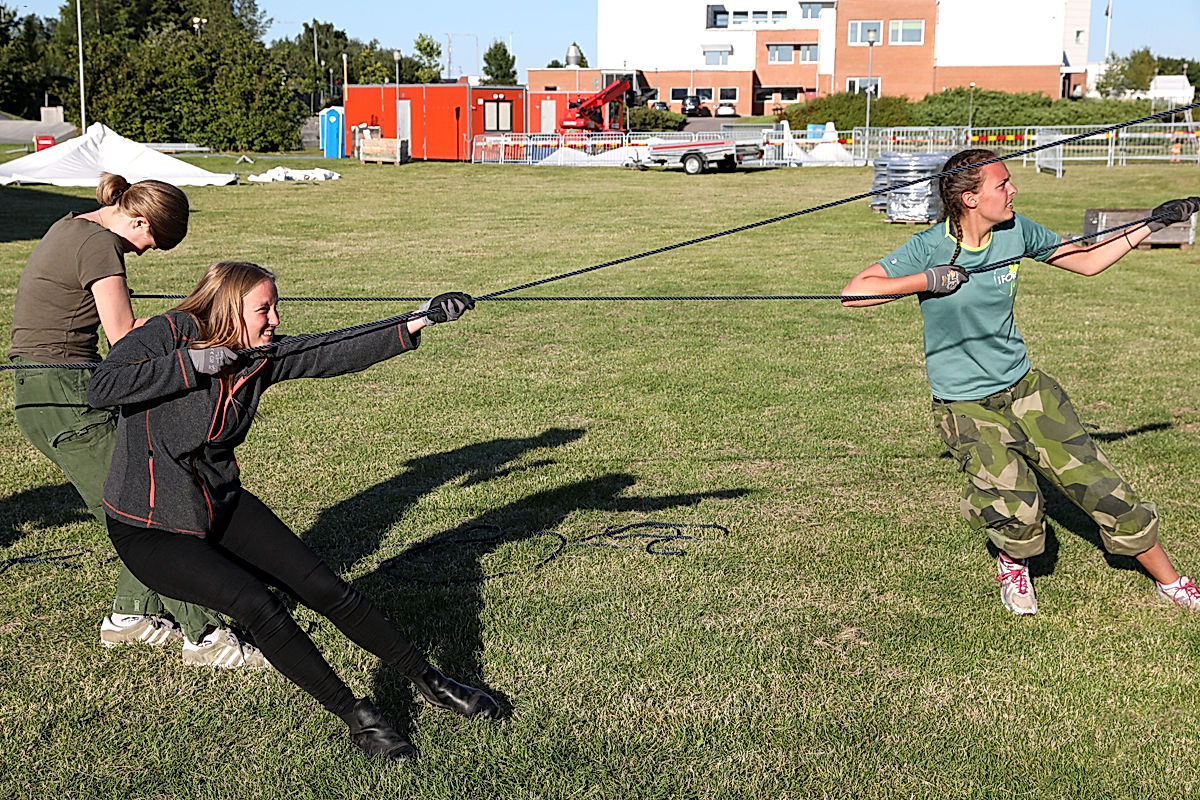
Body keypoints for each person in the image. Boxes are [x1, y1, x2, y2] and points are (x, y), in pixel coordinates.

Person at [87, 261, 499, 760]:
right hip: (149, 524)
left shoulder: (256, 356)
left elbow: (327, 350)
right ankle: (361, 719)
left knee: (326, 588)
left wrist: (420, 319)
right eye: (264, 308)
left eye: (275, 307)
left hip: (218, 503)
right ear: (228, 307)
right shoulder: (168, 332)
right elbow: (103, 386)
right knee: (256, 604)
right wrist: (191, 364)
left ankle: (432, 682)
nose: (276, 319)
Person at [841, 148, 1200, 616]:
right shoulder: (930, 245)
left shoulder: (1017, 230)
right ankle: (1013, 561)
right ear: (970, 198)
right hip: (965, 405)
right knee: (1019, 509)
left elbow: (1087, 261)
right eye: (1002, 184)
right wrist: (925, 280)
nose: (1014, 189)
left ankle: (1172, 583)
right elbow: (854, 293)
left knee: (1101, 485)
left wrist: (1151, 224)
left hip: (1026, 388)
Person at [8, 173, 262, 666]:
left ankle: (130, 615)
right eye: (152, 241)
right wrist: (203, 323)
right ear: (139, 219)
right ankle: (203, 636)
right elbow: (124, 335)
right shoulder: (101, 245)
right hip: (62, 394)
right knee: (151, 506)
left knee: (131, 496)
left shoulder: (73, 226)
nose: (146, 251)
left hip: (52, 389)